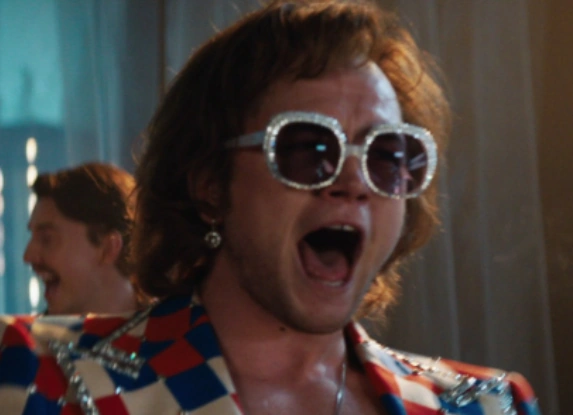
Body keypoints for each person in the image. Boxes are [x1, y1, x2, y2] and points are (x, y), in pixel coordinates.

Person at [0, 1, 540, 414]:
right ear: (210, 185)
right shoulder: (38, 375)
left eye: (387, 156)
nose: (354, 183)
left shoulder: (489, 406)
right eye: (308, 149)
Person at [23, 162, 145, 315]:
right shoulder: (24, 331)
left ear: (108, 248)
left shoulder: (168, 328)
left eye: (47, 239)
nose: (27, 256)